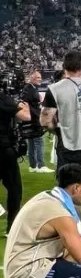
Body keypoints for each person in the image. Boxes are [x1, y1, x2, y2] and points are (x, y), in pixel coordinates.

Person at [40, 50, 81, 228]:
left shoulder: (55, 89)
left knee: (68, 192)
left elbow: (46, 120)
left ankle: (74, 231)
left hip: (68, 144)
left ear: (64, 66)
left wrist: (58, 132)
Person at [0, 79, 29, 234]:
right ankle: (12, 226)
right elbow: (25, 117)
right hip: (3, 149)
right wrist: (26, 106)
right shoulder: (3, 98)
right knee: (14, 188)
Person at [20, 68, 50, 173]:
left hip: (31, 120)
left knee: (32, 143)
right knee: (38, 142)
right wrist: (38, 115)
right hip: (34, 120)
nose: (40, 79)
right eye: (37, 77)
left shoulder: (30, 89)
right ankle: (41, 165)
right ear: (31, 78)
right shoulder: (29, 89)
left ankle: (33, 166)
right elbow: (27, 106)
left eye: (40, 77)